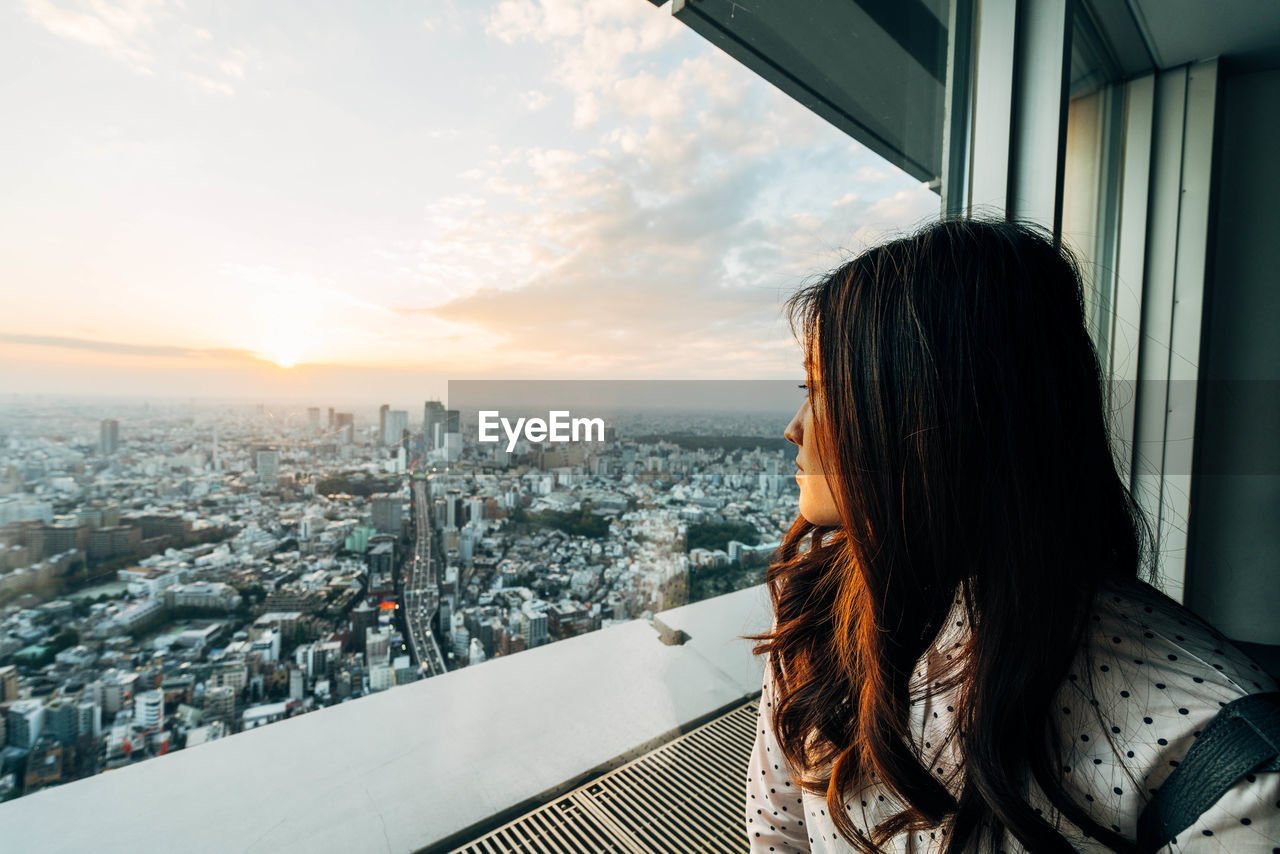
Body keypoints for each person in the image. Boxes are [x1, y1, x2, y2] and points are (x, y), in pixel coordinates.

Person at [744, 219, 1279, 853]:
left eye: (822, 390)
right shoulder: (823, 613)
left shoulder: (1225, 764)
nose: (793, 428)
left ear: (932, 414)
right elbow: (778, 831)